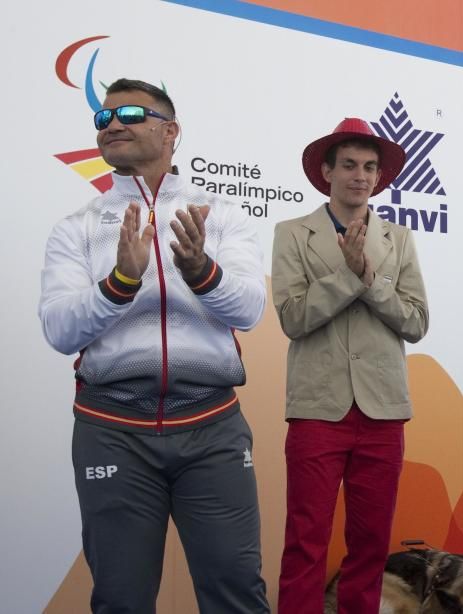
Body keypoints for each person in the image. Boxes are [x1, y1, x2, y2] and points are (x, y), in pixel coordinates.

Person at [38, 78, 269, 613]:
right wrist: (119, 282)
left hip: (212, 428)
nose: (113, 124)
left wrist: (201, 271)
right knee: (120, 599)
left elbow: (250, 311)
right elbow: (59, 330)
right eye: (104, 118)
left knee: (236, 592)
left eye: (132, 114)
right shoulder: (77, 228)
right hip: (112, 432)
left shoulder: (219, 216)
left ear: (171, 131)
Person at [271, 118, 429, 613]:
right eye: (348, 165)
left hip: (382, 411)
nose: (359, 176)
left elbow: (417, 321)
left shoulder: (398, 239)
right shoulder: (293, 233)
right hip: (318, 408)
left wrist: (369, 277)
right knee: (305, 542)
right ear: (326, 171)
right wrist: (348, 275)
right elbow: (294, 319)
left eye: (369, 167)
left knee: (370, 546)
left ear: (379, 177)